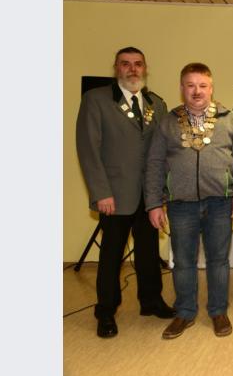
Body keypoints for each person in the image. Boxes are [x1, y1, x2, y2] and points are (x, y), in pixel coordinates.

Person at [145, 63, 233, 339]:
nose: (197, 91)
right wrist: (154, 203)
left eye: (202, 85)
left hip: (220, 203)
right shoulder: (167, 122)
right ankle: (184, 312)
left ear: (211, 88)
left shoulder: (230, 119)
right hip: (181, 204)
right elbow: (155, 164)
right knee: (183, 261)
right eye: (191, 85)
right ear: (182, 88)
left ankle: (218, 311)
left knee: (218, 260)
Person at [76, 46, 175, 338]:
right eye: (126, 64)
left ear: (145, 69)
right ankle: (106, 311)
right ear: (116, 68)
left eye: (138, 64)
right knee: (111, 256)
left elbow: (163, 153)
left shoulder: (156, 104)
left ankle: (151, 300)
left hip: (149, 195)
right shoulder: (96, 100)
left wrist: (161, 194)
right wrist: (100, 192)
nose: (132, 69)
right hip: (114, 195)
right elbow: (88, 148)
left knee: (148, 252)